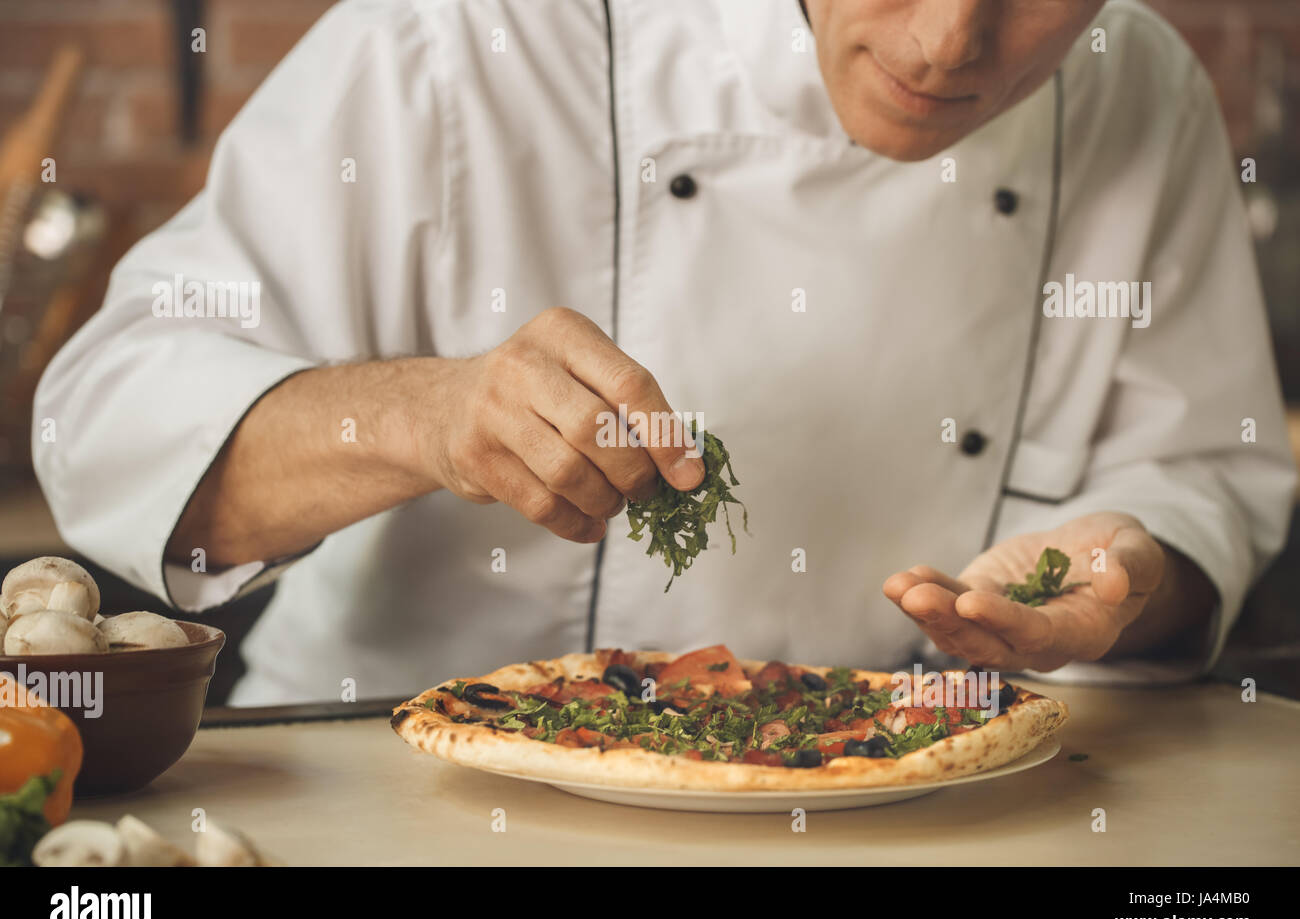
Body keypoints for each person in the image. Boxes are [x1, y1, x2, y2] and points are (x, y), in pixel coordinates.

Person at [33, 0, 1294, 704]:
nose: (946, 44)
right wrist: (422, 413)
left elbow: (1201, 473)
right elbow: (109, 417)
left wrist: (1128, 569)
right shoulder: (463, 38)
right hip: (395, 797)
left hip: (875, 803)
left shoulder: (1141, 88)